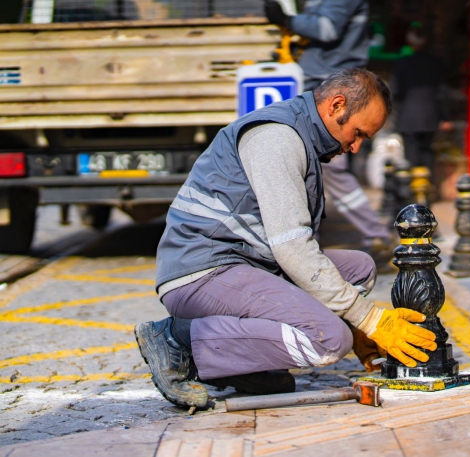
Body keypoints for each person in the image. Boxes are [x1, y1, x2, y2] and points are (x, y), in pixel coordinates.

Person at [134, 69, 437, 409]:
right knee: (328, 340)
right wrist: (367, 321)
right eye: (357, 134)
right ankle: (179, 340)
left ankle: (243, 366)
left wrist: (359, 329)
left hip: (244, 263)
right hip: (201, 273)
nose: (355, 147)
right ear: (337, 106)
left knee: (359, 268)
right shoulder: (277, 139)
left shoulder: (302, 136)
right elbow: (293, 247)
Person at [264, 0, 394, 265]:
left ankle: (374, 235)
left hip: (330, 83)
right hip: (323, 81)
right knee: (314, 167)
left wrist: (288, 21)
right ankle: (313, 242)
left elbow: (326, 28)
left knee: (329, 166)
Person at [392, 23, 452, 175]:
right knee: (427, 153)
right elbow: (442, 92)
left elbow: (395, 91)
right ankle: (427, 190)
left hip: (407, 117)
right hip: (430, 117)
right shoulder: (435, 63)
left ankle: (412, 191)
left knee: (411, 156)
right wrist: (444, 117)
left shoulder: (402, 64)